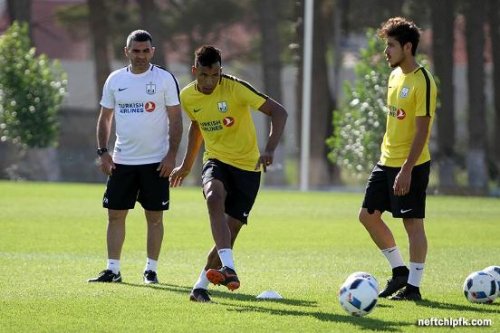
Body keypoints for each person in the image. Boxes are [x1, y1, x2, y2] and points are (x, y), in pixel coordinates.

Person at [169, 45, 287, 302]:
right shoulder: (188, 97)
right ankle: (229, 267)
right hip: (216, 160)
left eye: (215, 75)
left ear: (221, 71)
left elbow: (279, 112)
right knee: (213, 197)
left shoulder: (236, 88)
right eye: (203, 76)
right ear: (194, 71)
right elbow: (196, 128)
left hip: (248, 169)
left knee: (229, 232)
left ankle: (200, 287)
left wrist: (269, 149)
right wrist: (187, 165)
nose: (210, 81)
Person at [88, 30, 182, 284]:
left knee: (154, 217)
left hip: (156, 162)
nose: (140, 55)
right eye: (135, 50)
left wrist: (172, 155)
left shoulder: (164, 79)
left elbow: (175, 119)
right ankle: (113, 269)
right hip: (122, 161)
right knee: (115, 215)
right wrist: (103, 152)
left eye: (145, 50)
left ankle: (151, 270)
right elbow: (105, 118)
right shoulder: (115, 79)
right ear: (126, 51)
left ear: (153, 51)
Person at [358, 17, 437, 301]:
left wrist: (406, 169)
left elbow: (422, 131)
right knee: (367, 216)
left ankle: (413, 288)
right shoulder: (393, 76)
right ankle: (399, 272)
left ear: (407, 46)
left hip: (411, 165)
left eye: (390, 45)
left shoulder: (423, 81)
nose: (386, 51)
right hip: (386, 160)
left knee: (412, 224)